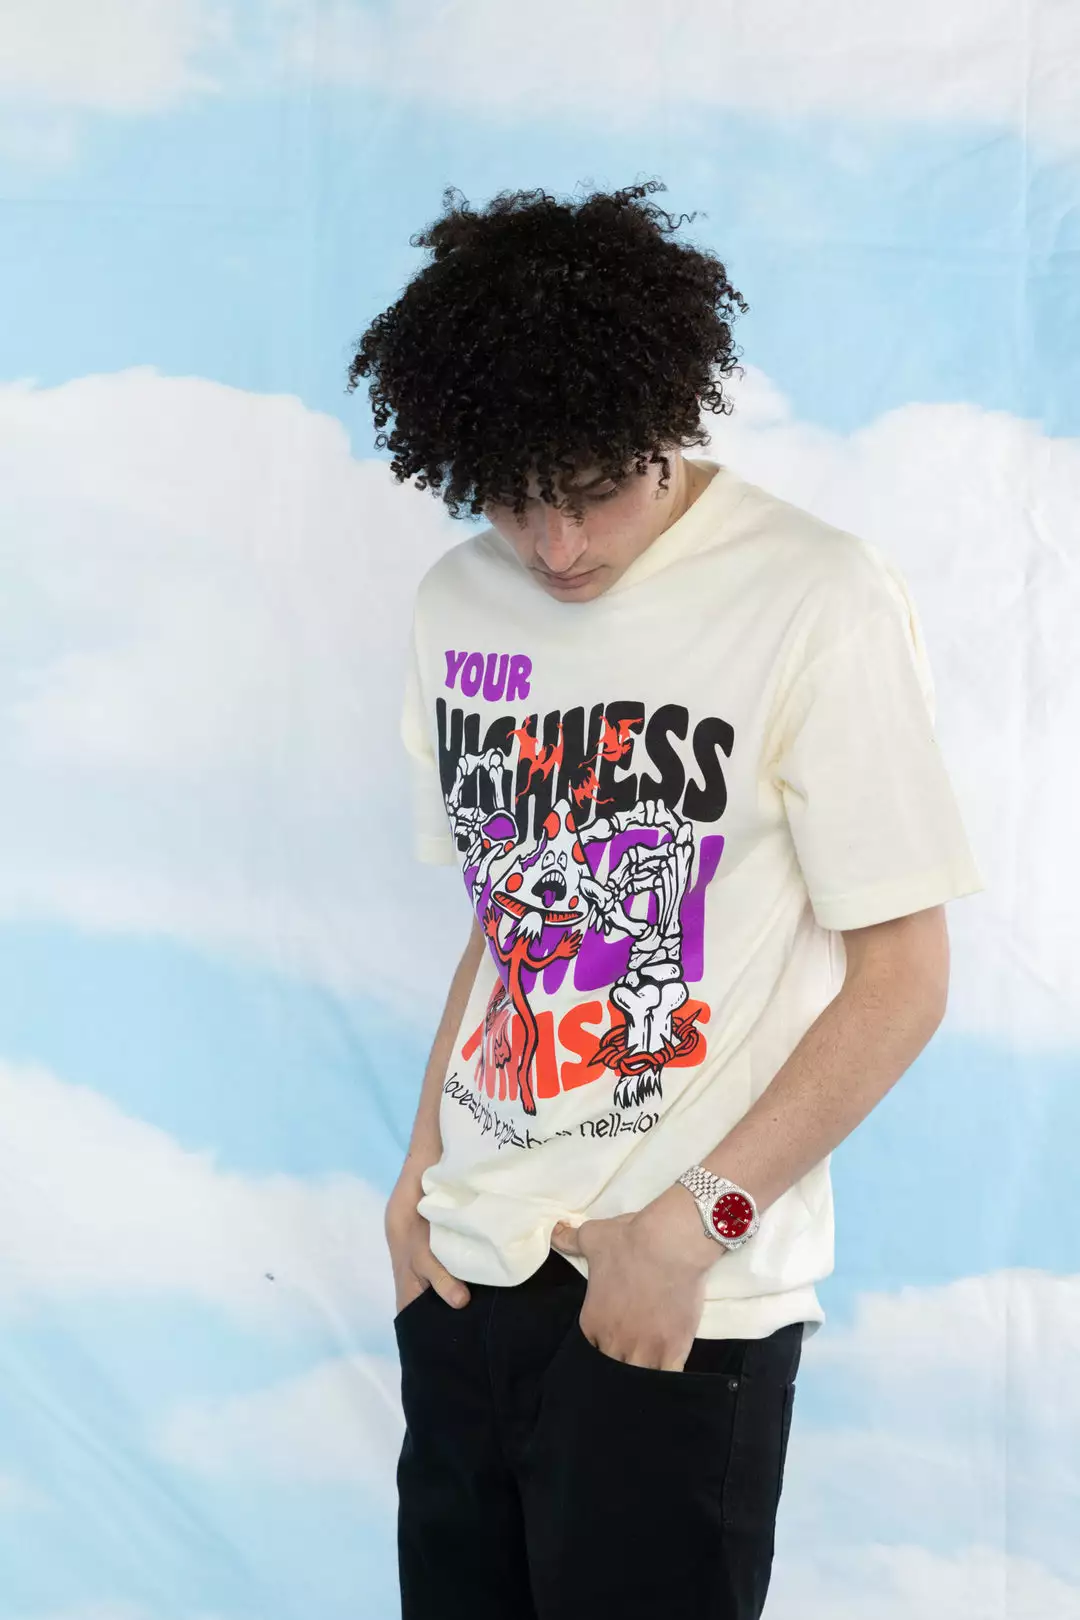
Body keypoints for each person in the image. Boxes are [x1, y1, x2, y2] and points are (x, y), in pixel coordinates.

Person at [347, 179, 985, 1620]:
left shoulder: (814, 595)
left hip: (668, 1296)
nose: (555, 548)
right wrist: (416, 1179)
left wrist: (690, 1229)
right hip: (466, 1268)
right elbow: (505, 921)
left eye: (591, 492)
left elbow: (905, 978)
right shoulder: (458, 602)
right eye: (513, 499)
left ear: (661, 423)